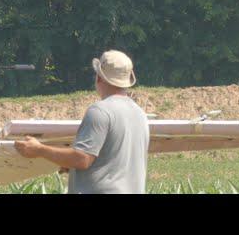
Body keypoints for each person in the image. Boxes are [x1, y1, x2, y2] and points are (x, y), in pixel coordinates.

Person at [15, 50, 150, 194]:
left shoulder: (100, 111)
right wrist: (68, 163)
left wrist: (39, 149)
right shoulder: (140, 114)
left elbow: (82, 159)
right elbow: (113, 159)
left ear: (99, 78)